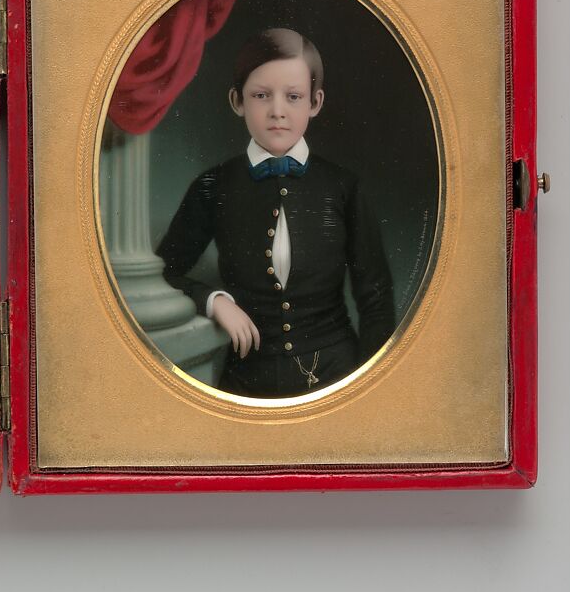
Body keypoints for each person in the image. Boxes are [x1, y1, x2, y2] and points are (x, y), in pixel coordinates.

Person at [156, 28, 395, 398]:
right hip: (248, 383)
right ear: (237, 101)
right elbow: (162, 273)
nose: (277, 111)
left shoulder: (344, 187)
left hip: (337, 374)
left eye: (294, 96)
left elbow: (377, 302)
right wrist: (214, 301)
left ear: (315, 103)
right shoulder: (214, 185)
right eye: (261, 95)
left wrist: (366, 390)